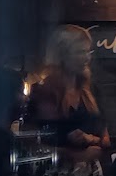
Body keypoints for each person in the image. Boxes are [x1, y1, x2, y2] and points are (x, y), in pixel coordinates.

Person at [27, 24, 110, 163]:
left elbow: (106, 139)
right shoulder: (42, 93)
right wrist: (72, 155)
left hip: (92, 172)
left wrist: (90, 139)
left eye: (88, 52)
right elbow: (30, 144)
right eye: (80, 52)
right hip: (55, 173)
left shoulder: (91, 90)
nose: (87, 58)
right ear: (62, 55)